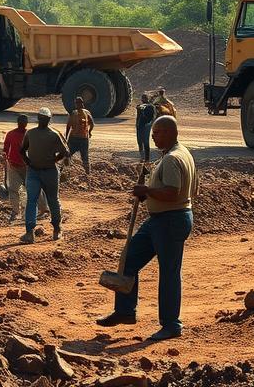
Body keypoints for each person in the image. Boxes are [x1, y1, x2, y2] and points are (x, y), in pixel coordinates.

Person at [96, 115, 198, 341]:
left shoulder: (173, 158)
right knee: (130, 258)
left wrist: (148, 192)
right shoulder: (181, 154)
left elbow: (173, 192)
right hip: (160, 219)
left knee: (169, 272)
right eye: (152, 134)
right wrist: (149, 194)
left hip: (171, 220)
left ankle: (171, 325)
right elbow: (189, 191)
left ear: (171, 132)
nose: (153, 138)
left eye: (157, 133)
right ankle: (124, 311)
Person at [20, 107, 69, 244]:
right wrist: (29, 162)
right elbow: (22, 150)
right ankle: (31, 232)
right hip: (37, 171)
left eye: (44, 119)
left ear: (47, 119)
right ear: (39, 118)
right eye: (41, 118)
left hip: (47, 172)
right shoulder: (32, 133)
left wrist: (53, 160)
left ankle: (56, 229)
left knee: (50, 200)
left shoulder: (52, 134)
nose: (42, 120)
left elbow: (65, 152)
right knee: (33, 200)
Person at [2, 114, 48, 223]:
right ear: (18, 122)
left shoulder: (31, 135)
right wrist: (5, 157)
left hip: (28, 167)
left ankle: (44, 209)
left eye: (24, 123)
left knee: (35, 188)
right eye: (21, 122)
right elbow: (5, 148)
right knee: (13, 189)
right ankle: (15, 211)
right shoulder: (11, 134)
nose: (22, 125)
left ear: (26, 124)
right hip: (13, 166)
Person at [65, 96, 95, 176]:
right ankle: (87, 174)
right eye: (78, 103)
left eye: (78, 103)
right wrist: (89, 132)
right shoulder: (86, 112)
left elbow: (68, 126)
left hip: (75, 138)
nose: (78, 105)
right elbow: (92, 124)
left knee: (68, 154)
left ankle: (64, 171)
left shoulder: (73, 113)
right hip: (82, 138)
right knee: (84, 158)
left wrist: (66, 138)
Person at [135, 94, 156, 163]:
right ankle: (142, 157)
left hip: (146, 126)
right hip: (140, 126)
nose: (143, 99)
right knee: (140, 141)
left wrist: (148, 123)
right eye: (142, 98)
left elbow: (152, 117)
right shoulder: (141, 106)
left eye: (144, 98)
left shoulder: (150, 107)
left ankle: (146, 159)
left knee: (145, 142)